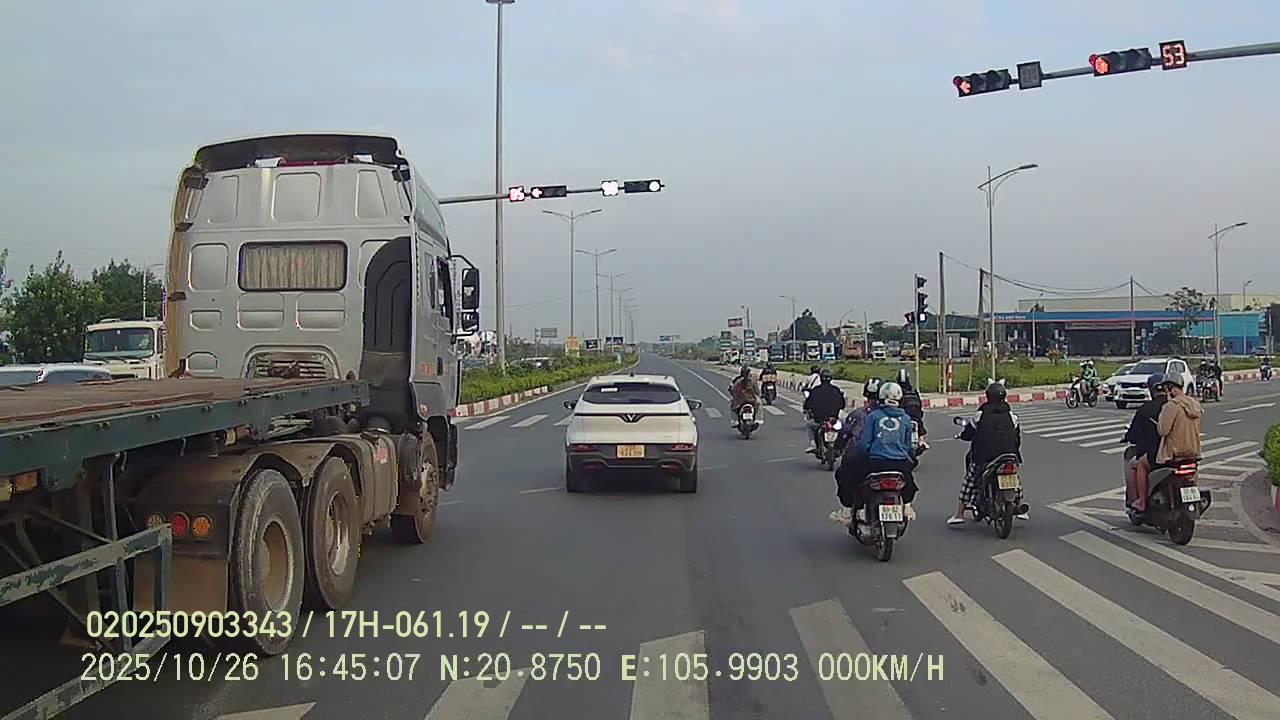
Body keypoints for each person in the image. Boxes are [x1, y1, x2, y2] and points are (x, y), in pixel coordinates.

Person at [948, 382, 1023, 526]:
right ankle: (1019, 505)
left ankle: (960, 514)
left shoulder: (980, 415)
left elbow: (968, 433)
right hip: (1008, 455)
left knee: (970, 480)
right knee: (1015, 479)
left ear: (988, 396)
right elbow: (1017, 438)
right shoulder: (1012, 416)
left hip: (985, 457)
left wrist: (962, 436)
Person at [1133, 374, 1202, 513]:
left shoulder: (1171, 406)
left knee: (1141, 464)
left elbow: (1163, 430)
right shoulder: (1195, 404)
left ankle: (1141, 501)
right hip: (1193, 453)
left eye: (1166, 388)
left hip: (1173, 454)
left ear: (1171, 388)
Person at [852, 382, 918, 522]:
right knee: (909, 482)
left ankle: (861, 508)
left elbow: (865, 443)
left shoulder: (873, 416)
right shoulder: (906, 419)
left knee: (859, 480)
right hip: (900, 463)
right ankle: (907, 506)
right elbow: (908, 446)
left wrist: (862, 453)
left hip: (877, 463)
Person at [1125, 374, 1169, 513]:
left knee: (1137, 465)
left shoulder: (1146, 409)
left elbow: (1133, 433)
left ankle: (1141, 501)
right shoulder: (1179, 406)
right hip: (1185, 452)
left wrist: (1129, 437)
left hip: (1160, 454)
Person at [803, 369, 846, 453]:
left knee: (809, 425)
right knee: (844, 427)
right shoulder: (836, 390)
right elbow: (842, 405)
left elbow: (807, 405)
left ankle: (813, 444)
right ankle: (841, 446)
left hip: (819, 420)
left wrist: (809, 410)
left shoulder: (815, 390)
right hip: (833, 420)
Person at [896, 368, 928, 448]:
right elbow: (920, 406)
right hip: (916, 418)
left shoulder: (897, 391)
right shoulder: (913, 391)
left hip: (903, 418)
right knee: (919, 420)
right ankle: (922, 440)